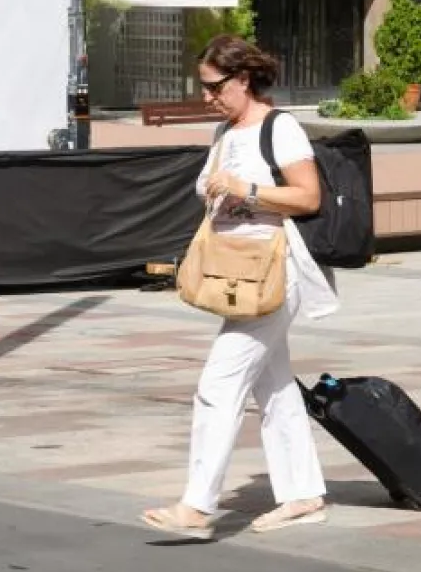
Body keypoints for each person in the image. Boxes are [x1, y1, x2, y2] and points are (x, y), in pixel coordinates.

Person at [141, 35, 337, 538]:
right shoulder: (225, 132)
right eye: (203, 86)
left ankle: (198, 505)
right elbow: (213, 185)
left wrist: (246, 190)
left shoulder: (281, 127)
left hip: (274, 269)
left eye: (214, 86)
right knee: (274, 388)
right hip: (236, 274)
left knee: (219, 384)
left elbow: (309, 196)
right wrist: (217, 188)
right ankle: (303, 494)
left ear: (244, 79)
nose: (207, 95)